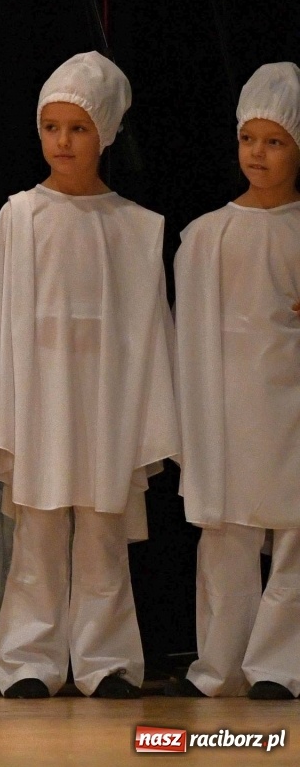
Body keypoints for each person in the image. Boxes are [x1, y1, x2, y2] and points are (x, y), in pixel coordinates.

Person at [0, 51, 178, 699]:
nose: (62, 141)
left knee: (104, 532)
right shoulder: (20, 215)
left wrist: (155, 412)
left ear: (105, 132)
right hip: (40, 399)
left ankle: (106, 660)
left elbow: (151, 329)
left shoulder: (135, 227)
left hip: (108, 402)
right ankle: (29, 659)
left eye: (78, 128)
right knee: (39, 530)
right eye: (51, 127)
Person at [169, 61, 300, 701]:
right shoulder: (205, 235)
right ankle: (218, 665)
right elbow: (190, 339)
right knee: (225, 541)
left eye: (274, 141)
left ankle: (279, 665)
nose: (257, 153)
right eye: (249, 138)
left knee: (295, 536)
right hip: (225, 409)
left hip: (292, 410)